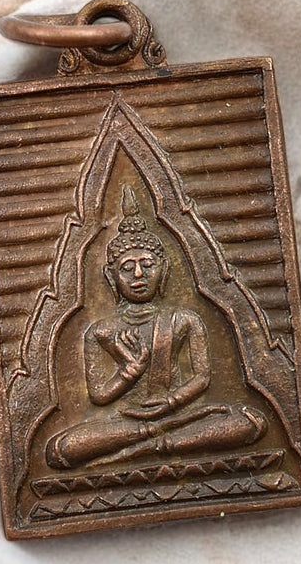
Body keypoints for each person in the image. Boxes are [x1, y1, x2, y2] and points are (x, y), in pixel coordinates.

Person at [44, 186, 269, 470]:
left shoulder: (184, 320)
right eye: (127, 268)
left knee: (249, 422)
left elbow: (201, 378)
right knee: (61, 449)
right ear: (110, 277)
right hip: (127, 423)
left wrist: (172, 402)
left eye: (147, 264)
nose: (138, 275)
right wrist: (130, 373)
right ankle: (156, 442)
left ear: (163, 269)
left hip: (180, 415)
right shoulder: (100, 331)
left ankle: (148, 447)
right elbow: (99, 395)